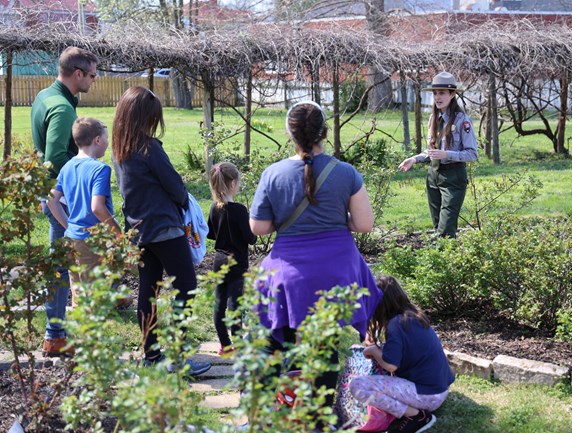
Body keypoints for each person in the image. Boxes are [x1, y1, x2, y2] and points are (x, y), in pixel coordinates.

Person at [249, 100, 383, 410]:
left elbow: (259, 227)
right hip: (337, 271)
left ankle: (276, 406)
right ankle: (322, 416)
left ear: (290, 133)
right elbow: (364, 224)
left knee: (277, 338)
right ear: (324, 132)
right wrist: (336, 220)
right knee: (324, 345)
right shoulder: (346, 172)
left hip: (288, 275)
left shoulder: (273, 173)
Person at [111, 86, 210, 377]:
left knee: (149, 289)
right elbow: (175, 186)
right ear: (143, 117)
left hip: (138, 230)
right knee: (187, 285)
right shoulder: (149, 148)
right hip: (165, 228)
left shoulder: (120, 151)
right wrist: (184, 201)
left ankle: (152, 354)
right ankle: (179, 355)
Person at [31, 46, 99, 356]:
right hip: (60, 196)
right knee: (61, 265)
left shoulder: (45, 95)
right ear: (77, 74)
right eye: (92, 76)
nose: (94, 81)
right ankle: (55, 333)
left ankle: (58, 329)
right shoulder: (62, 108)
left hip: (50, 192)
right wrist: (80, 173)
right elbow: (56, 155)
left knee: (62, 261)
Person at [350, 275, 455, 433]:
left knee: (357, 385)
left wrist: (373, 350)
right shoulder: (411, 315)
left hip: (427, 396)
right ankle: (407, 411)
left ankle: (416, 416)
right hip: (439, 390)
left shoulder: (395, 325)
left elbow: (391, 365)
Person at [46, 117, 132, 309]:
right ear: (97, 140)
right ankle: (87, 336)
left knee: (79, 291)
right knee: (91, 302)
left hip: (71, 239)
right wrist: (118, 233)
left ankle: (113, 302)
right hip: (92, 241)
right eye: (106, 138)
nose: (108, 143)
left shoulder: (67, 167)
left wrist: (68, 226)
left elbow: (51, 199)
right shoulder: (100, 169)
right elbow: (97, 208)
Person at [398, 71, 478, 238]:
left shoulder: (462, 120)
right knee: (437, 227)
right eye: (435, 93)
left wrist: (447, 154)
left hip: (453, 177)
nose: (437, 97)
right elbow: (432, 151)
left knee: (445, 230)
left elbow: (472, 154)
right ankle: (443, 259)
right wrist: (414, 159)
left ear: (452, 94)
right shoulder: (433, 118)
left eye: (442, 93)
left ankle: (444, 260)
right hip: (433, 176)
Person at [207, 162, 257, 356]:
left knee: (219, 304)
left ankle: (224, 344)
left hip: (219, 260)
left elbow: (211, 233)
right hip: (237, 262)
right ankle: (238, 343)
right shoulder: (240, 210)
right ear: (232, 183)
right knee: (235, 304)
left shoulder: (213, 208)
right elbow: (250, 238)